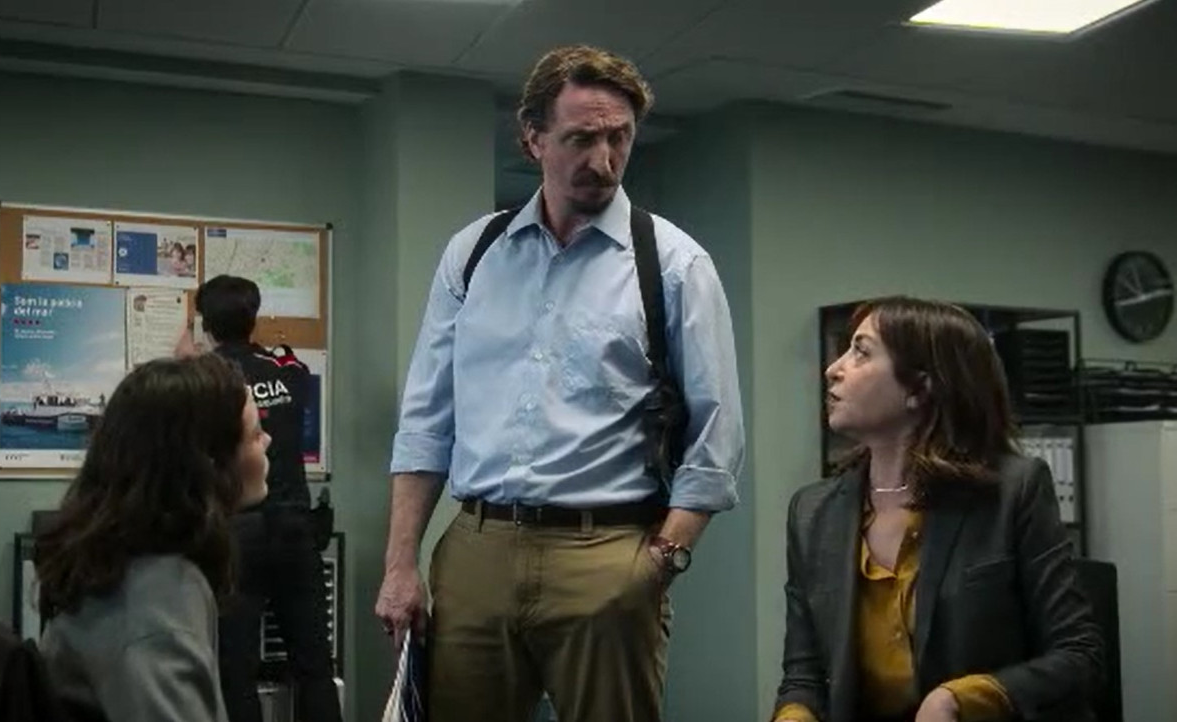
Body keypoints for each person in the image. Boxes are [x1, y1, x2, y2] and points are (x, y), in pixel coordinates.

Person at [375, 45, 745, 722]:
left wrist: (663, 559)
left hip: (607, 551)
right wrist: (401, 565)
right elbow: (426, 419)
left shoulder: (673, 263)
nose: (603, 160)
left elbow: (717, 437)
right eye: (581, 138)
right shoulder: (474, 253)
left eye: (619, 138)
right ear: (533, 139)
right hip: (478, 548)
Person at [773, 296, 1104, 722]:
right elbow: (804, 675)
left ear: (920, 387)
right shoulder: (812, 512)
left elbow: (1079, 654)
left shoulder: (1011, 491)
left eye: (861, 352)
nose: (833, 369)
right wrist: (794, 716)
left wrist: (964, 699)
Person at [37, 354, 270, 722]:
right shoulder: (158, 605)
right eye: (255, 434)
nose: (268, 441)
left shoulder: (121, 566)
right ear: (209, 463)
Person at [191, 274, 342, 722]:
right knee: (314, 665)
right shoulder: (288, 372)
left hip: (237, 533)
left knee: (235, 671)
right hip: (295, 528)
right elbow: (295, 374)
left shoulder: (204, 381)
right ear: (253, 319)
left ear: (206, 325)